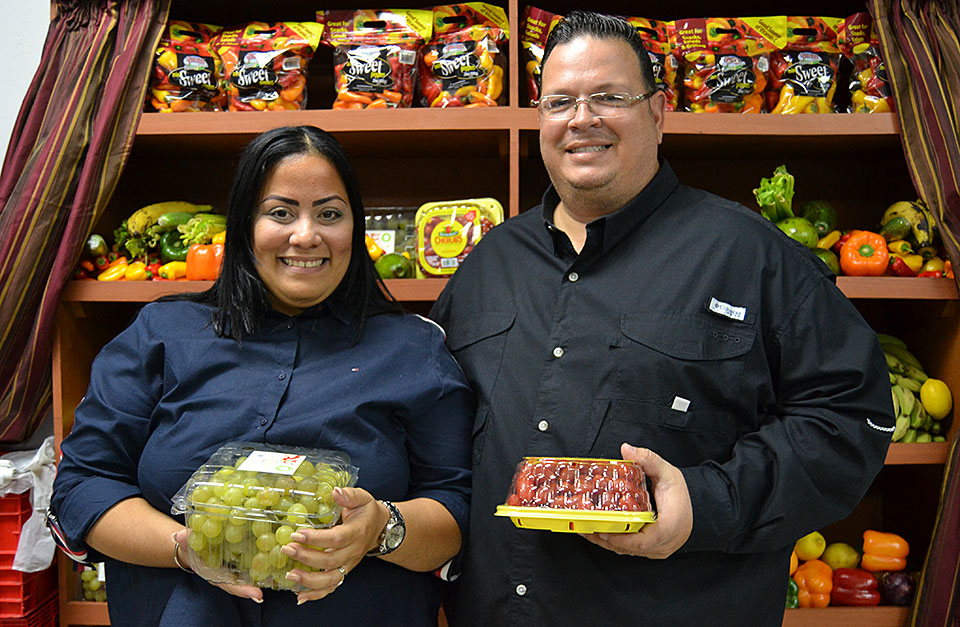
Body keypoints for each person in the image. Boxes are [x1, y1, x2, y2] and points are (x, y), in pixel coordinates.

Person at [429, 11, 894, 626]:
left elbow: (849, 415)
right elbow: (433, 430)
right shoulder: (488, 263)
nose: (581, 119)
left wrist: (703, 505)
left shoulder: (747, 254)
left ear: (658, 110)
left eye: (609, 97)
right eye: (559, 101)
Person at [49, 126, 473, 626]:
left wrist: (383, 528)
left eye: (330, 214)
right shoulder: (162, 334)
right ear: (245, 225)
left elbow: (456, 506)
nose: (306, 235)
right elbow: (83, 484)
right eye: (280, 212)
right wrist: (186, 548)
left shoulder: (414, 349)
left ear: (354, 230)